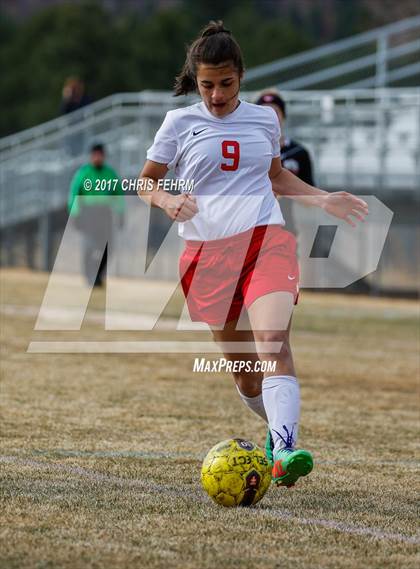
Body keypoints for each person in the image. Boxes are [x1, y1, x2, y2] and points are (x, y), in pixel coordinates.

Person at [137, 21, 368, 488]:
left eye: (225, 84)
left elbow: (276, 178)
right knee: (246, 378)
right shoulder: (178, 123)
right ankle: (272, 433)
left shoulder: (265, 120)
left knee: (274, 345)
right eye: (206, 85)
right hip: (205, 256)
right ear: (195, 80)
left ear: (241, 76)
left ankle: (284, 451)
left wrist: (322, 198)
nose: (216, 95)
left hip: (265, 243)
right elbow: (146, 181)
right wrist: (166, 201)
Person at [256, 90, 314, 235]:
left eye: (275, 112)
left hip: (287, 229)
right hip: (250, 231)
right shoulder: (246, 151)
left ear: (283, 116)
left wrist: (286, 191)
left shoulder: (299, 152)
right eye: (264, 112)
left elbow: (311, 196)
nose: (269, 117)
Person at [68, 143, 125, 287]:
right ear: (91, 156)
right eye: (95, 155)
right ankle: (89, 276)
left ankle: (98, 274)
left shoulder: (110, 174)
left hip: (105, 213)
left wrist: (121, 213)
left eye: (101, 155)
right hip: (88, 213)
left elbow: (118, 195)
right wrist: (75, 214)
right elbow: (74, 194)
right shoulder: (83, 173)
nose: (98, 158)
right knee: (89, 245)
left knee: (108, 247)